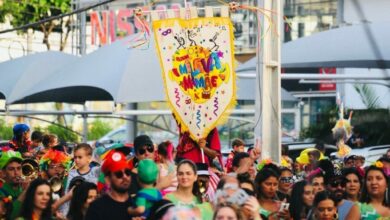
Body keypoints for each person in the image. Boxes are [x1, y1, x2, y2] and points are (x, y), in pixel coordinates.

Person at [85, 151, 135, 220]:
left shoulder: (138, 203)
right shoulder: (97, 208)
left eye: (127, 172)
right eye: (119, 174)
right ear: (108, 180)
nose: (125, 177)